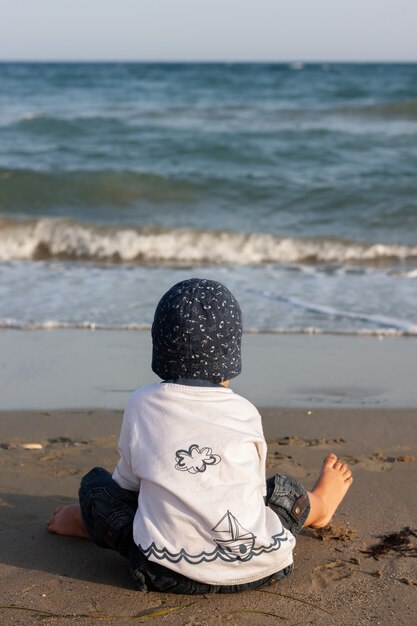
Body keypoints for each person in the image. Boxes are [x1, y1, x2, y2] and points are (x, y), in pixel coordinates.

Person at [48, 278, 352, 594]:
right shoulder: (244, 411)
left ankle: (85, 523)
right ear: (232, 355)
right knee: (283, 492)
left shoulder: (142, 403)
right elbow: (255, 490)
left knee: (97, 490)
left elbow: (127, 487)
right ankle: (319, 505)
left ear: (159, 348)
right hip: (262, 566)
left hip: (163, 570)